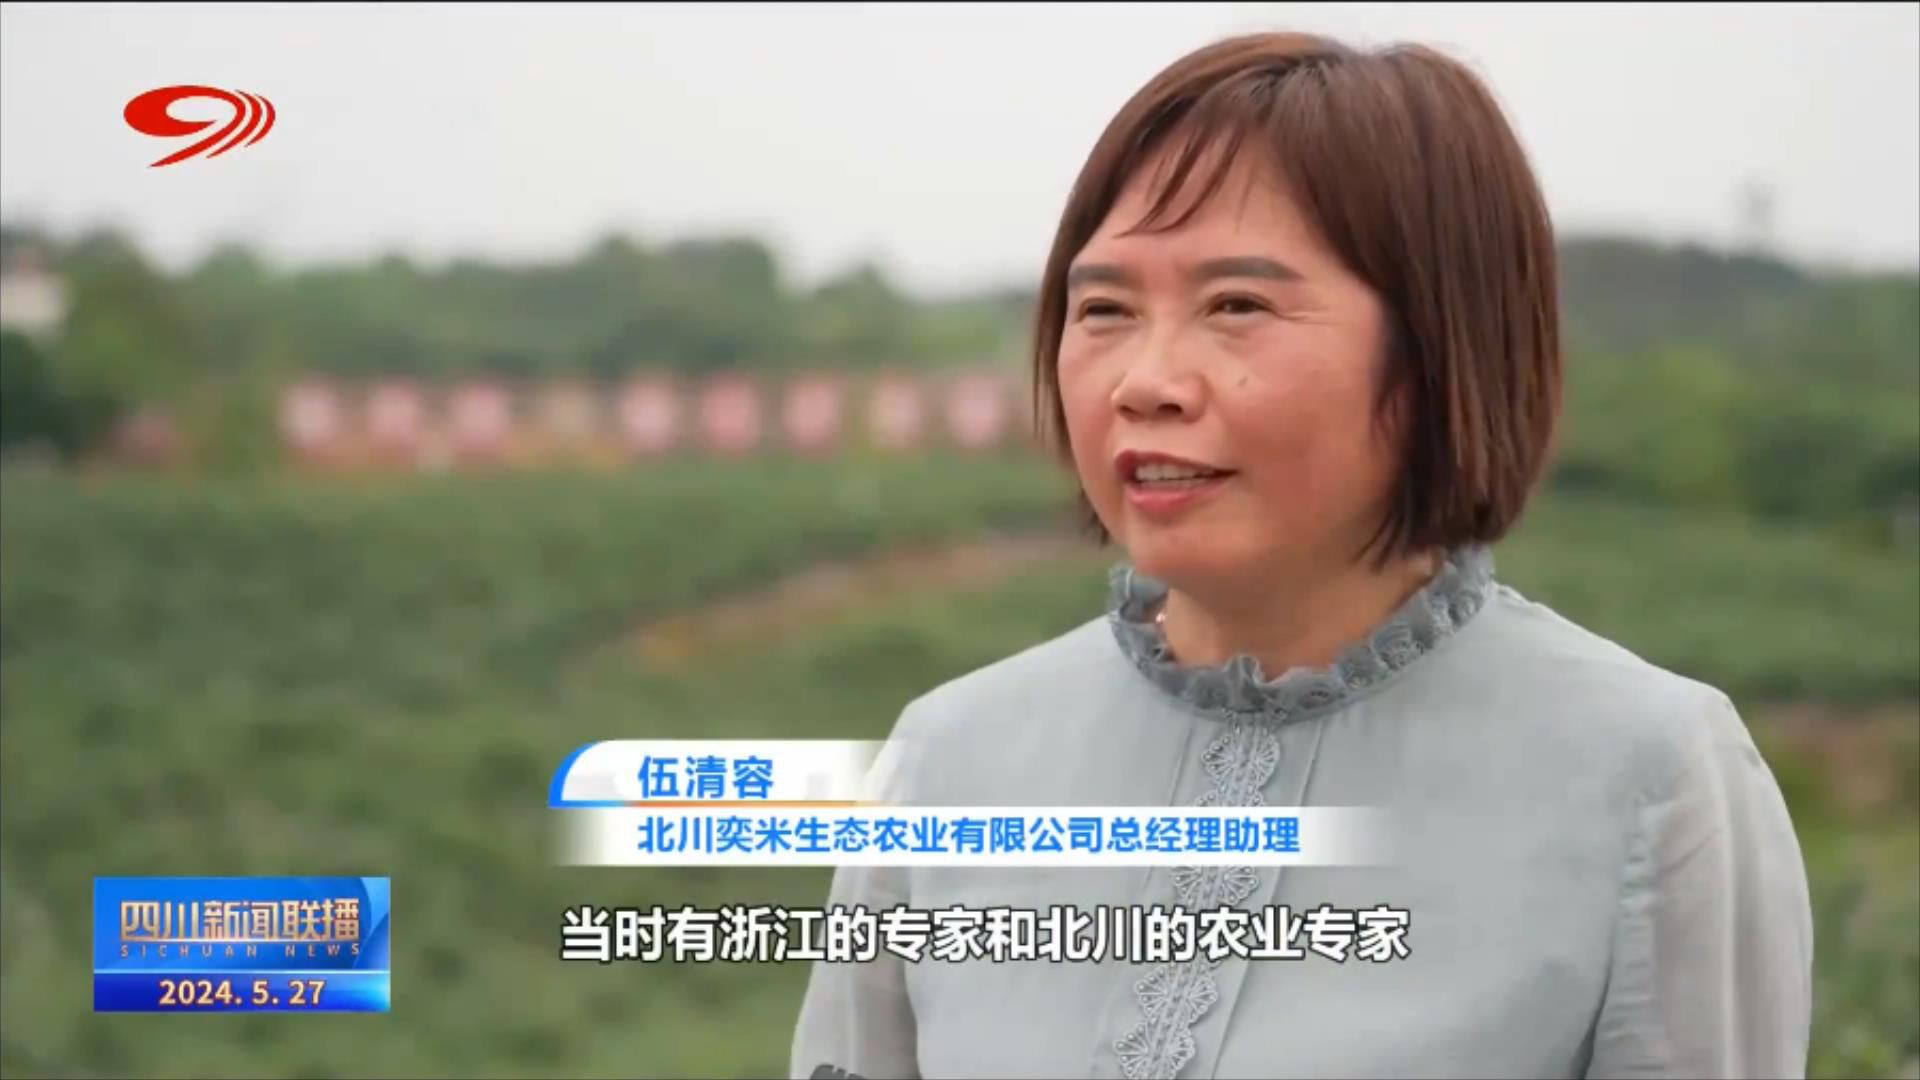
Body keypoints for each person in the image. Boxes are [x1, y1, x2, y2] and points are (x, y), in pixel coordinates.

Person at [789, 29, 1813, 1080]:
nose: (1145, 382)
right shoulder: (947, 763)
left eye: (1236, 305)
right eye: (1104, 309)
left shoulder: (1650, 777)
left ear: (1440, 344)